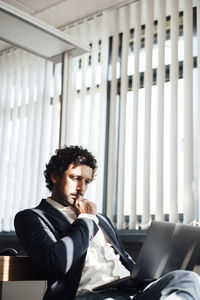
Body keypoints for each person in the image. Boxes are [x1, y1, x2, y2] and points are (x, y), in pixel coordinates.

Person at [14, 145, 200, 300]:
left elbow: (124, 260)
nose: (81, 188)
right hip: (91, 294)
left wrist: (149, 268)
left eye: (86, 181)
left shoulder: (101, 218)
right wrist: (86, 219)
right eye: (75, 178)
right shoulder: (33, 217)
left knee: (188, 279)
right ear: (55, 177)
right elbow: (57, 262)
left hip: (131, 289)